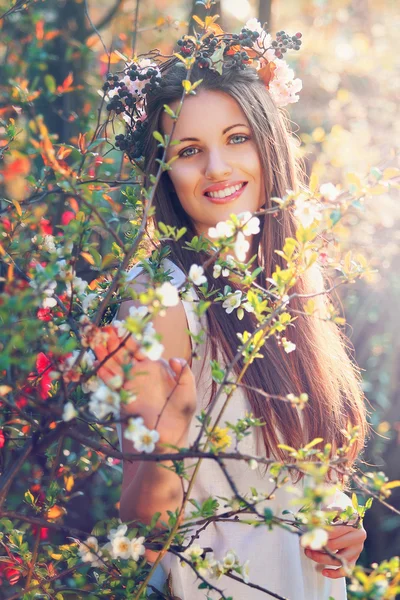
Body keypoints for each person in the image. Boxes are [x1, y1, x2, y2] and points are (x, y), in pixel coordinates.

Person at [94, 20, 368, 600]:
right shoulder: (164, 302)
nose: (217, 167)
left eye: (236, 138)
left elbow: (303, 481)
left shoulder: (293, 280)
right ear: (167, 171)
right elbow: (143, 534)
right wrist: (165, 443)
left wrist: (341, 527)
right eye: (189, 150)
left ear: (269, 143)